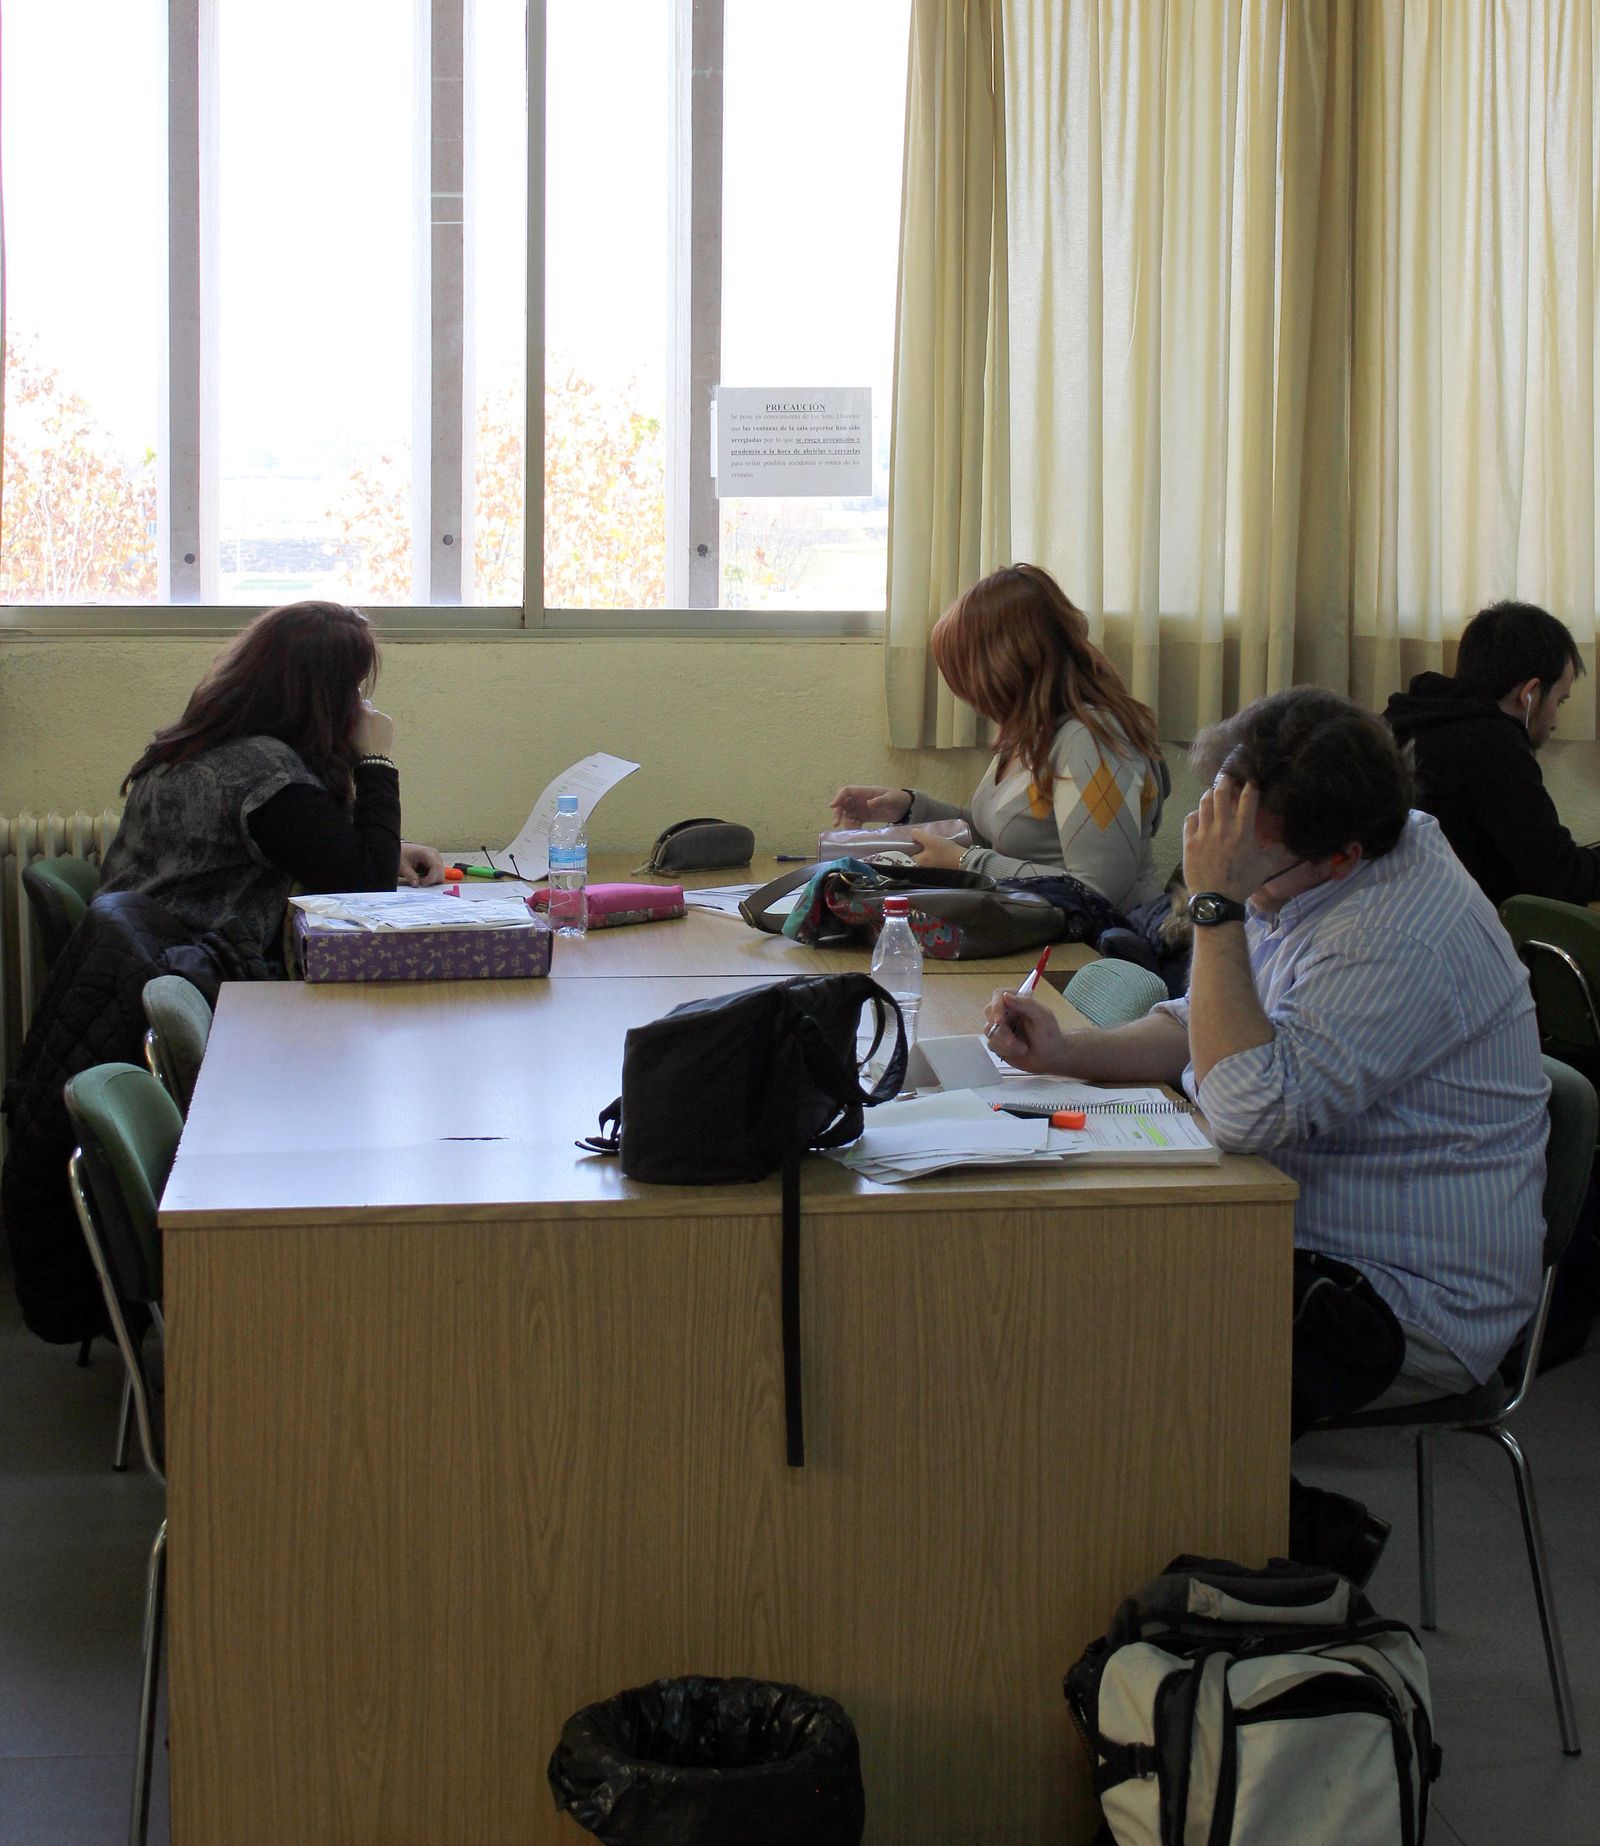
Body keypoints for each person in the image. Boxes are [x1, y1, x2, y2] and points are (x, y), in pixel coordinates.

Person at [985, 686, 1548, 1580]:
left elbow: (1243, 1105)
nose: (1238, 877)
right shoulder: (1328, 872)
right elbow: (1202, 1026)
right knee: (1075, 1297)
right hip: (1303, 1223)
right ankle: (1215, 1539)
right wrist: (1070, 1051)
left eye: (1257, 868)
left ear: (1341, 858)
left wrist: (1216, 908)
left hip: (1408, 1293)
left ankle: (1290, 1550)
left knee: (1122, 1361)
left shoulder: (1398, 932)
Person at [98, 599, 444, 958]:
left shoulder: (208, 744)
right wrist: (376, 759)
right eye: (352, 688)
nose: (359, 703)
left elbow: (313, 847)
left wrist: (390, 851)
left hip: (154, 958)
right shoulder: (264, 774)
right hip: (199, 975)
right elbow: (367, 889)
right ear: (324, 695)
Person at [830, 563, 1169, 913]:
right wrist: (912, 807)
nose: (962, 692)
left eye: (963, 674)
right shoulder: (1029, 733)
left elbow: (1095, 892)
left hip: (1097, 952)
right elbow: (999, 834)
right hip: (1040, 928)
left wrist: (967, 863)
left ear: (1002, 668)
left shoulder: (1092, 742)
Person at [1382, 599, 1600, 908]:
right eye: (1559, 701)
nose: (1554, 722)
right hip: (1468, 939)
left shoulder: (1401, 723)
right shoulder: (1493, 744)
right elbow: (1559, 877)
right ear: (1530, 693)